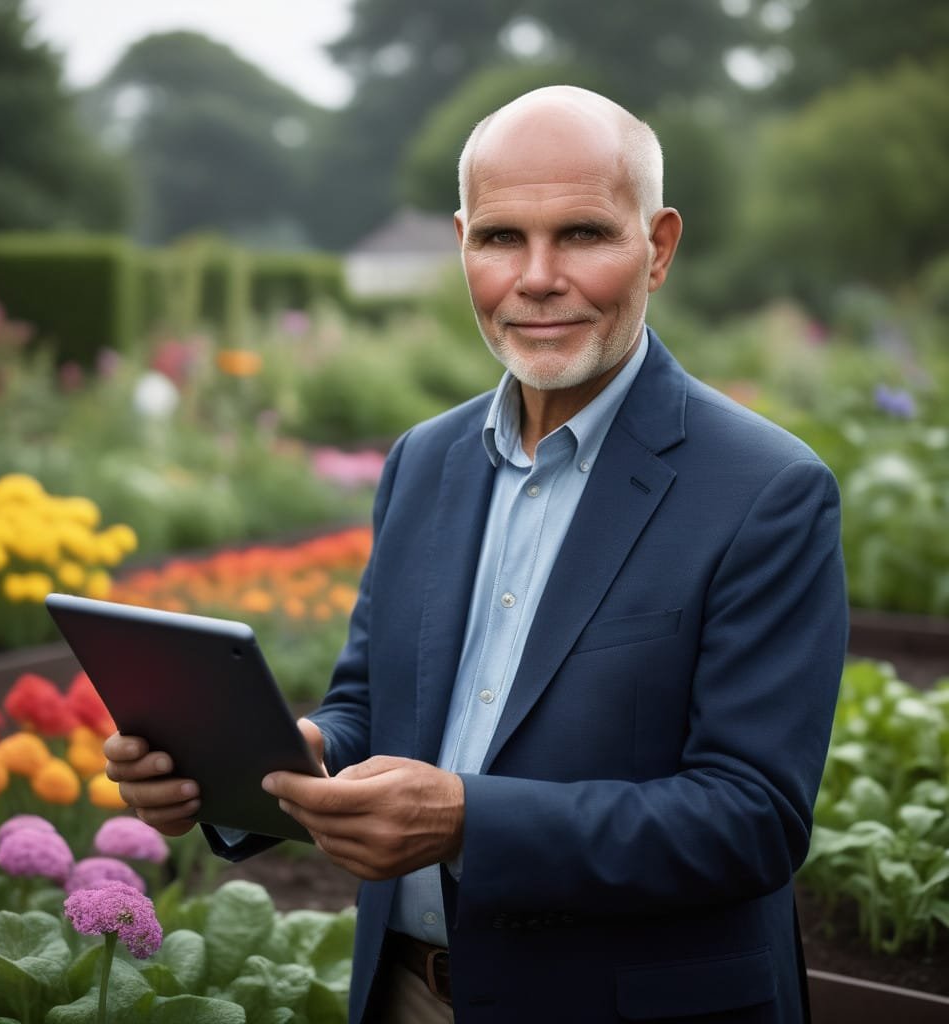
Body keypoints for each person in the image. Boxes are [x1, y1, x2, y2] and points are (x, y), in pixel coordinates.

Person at [105, 85, 847, 1023]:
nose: (536, 277)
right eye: (500, 239)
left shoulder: (765, 490)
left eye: (581, 233)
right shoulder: (426, 460)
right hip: (405, 994)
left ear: (657, 247)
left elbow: (753, 819)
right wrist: (273, 762)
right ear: (462, 244)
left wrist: (466, 819)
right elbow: (370, 704)